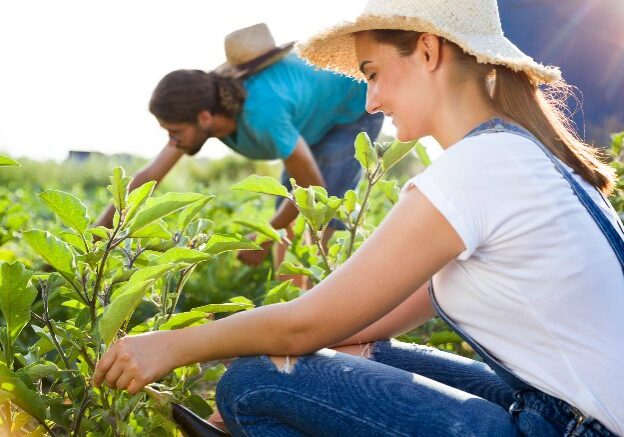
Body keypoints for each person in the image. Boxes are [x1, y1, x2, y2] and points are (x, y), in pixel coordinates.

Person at [94, 0, 624, 435]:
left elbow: (308, 323)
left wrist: (172, 344)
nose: (369, 101)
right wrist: (324, 349)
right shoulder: (518, 153)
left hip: (577, 427)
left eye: (373, 74)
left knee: (251, 383)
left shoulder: (475, 169)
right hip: (560, 407)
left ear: (428, 50)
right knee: (357, 351)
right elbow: (358, 322)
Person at [96, 23, 384, 266]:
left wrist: (261, 236)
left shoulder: (262, 114)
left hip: (352, 106)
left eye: (173, 132)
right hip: (310, 117)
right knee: (287, 219)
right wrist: (91, 242)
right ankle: (290, 308)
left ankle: (319, 313)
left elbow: (311, 186)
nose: (172, 141)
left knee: (316, 216)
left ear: (205, 117)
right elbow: (149, 178)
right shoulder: (203, 108)